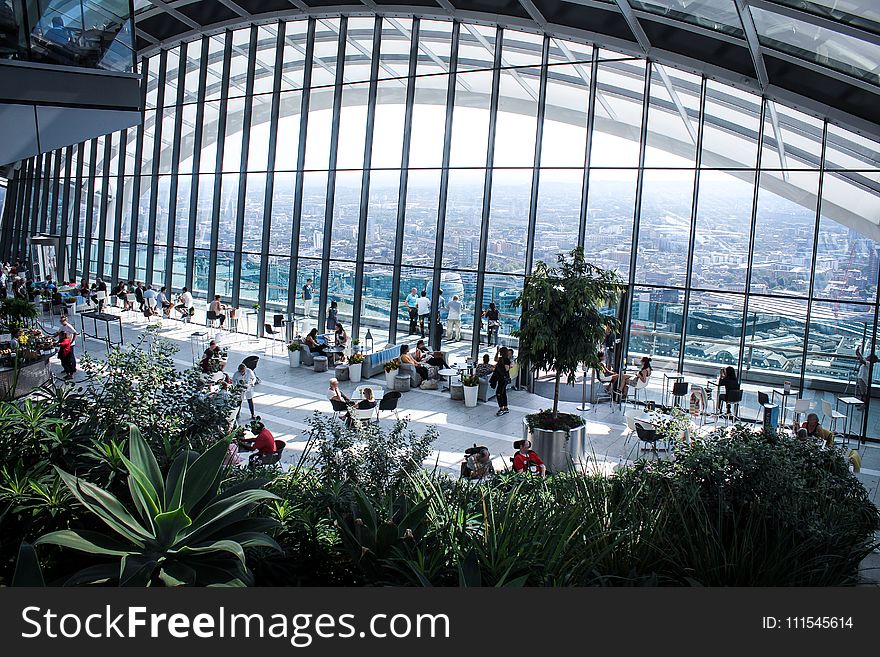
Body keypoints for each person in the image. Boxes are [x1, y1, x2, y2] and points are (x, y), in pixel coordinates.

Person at [490, 346, 511, 416]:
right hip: (501, 379)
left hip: (503, 379)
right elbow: (495, 359)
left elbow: (506, 369)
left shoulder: (506, 360)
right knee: (503, 392)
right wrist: (497, 352)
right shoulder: (501, 359)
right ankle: (505, 407)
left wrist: (498, 368)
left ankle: (501, 408)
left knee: (499, 393)